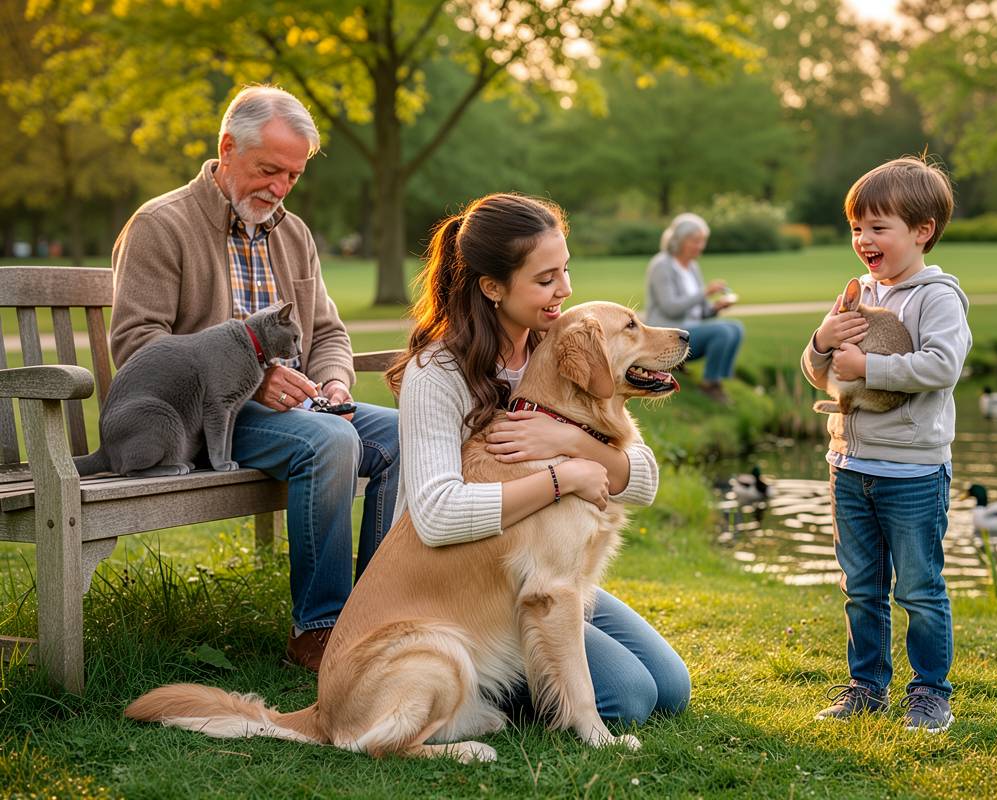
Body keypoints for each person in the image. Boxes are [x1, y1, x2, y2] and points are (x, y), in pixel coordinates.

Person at [109, 85, 400, 673]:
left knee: (406, 433)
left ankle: (378, 615)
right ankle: (318, 629)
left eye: (292, 176)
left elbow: (329, 332)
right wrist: (255, 379)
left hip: (302, 409)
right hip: (207, 419)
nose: (280, 188)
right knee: (333, 442)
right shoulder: (161, 226)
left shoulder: (293, 235)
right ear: (227, 148)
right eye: (270, 170)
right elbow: (137, 345)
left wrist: (336, 381)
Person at [383, 193, 690, 724]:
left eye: (565, 271)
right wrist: (562, 476)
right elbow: (435, 516)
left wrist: (571, 443)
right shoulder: (437, 373)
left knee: (671, 686)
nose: (565, 291)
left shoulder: (554, 339)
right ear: (493, 287)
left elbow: (641, 481)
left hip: (537, 573)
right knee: (631, 698)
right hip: (462, 598)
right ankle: (478, 685)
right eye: (546, 280)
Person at [800, 156, 971, 733]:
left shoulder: (937, 297)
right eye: (856, 228)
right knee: (861, 586)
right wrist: (822, 341)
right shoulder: (858, 293)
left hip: (913, 471)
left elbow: (942, 366)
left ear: (921, 231)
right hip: (849, 464)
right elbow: (819, 369)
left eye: (878, 227)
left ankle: (930, 693)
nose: (863, 240)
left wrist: (867, 365)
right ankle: (867, 687)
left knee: (920, 588)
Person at [643, 213, 744, 404]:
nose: (701, 246)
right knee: (722, 331)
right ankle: (710, 384)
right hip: (667, 334)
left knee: (736, 327)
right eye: (695, 241)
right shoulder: (661, 265)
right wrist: (704, 292)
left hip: (690, 330)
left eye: (702, 241)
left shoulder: (692, 267)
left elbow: (700, 313)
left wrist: (715, 308)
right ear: (679, 240)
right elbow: (670, 308)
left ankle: (721, 377)